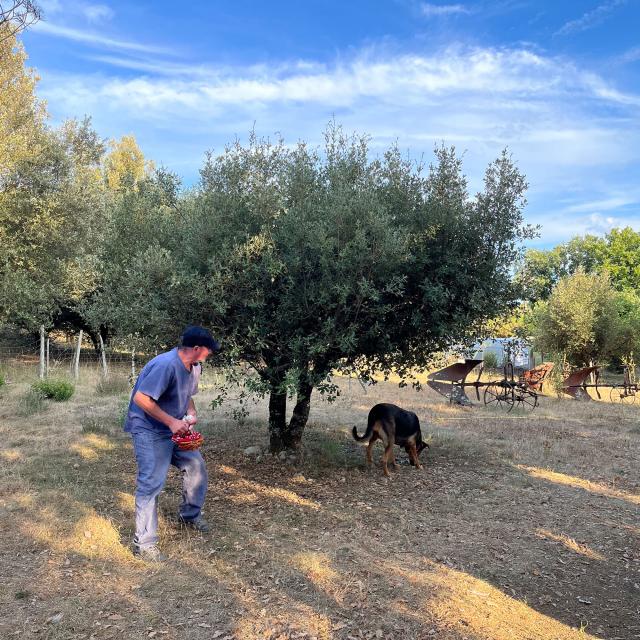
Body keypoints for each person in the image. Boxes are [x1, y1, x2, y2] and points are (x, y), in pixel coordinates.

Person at [124, 326, 220, 561]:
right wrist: (170, 422)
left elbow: (188, 397)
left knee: (196, 467)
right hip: (149, 430)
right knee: (151, 483)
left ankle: (189, 516)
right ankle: (144, 544)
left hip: (173, 428)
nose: (210, 354)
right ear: (196, 349)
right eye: (208, 350)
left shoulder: (195, 367)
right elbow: (141, 398)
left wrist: (190, 415)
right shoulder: (165, 365)